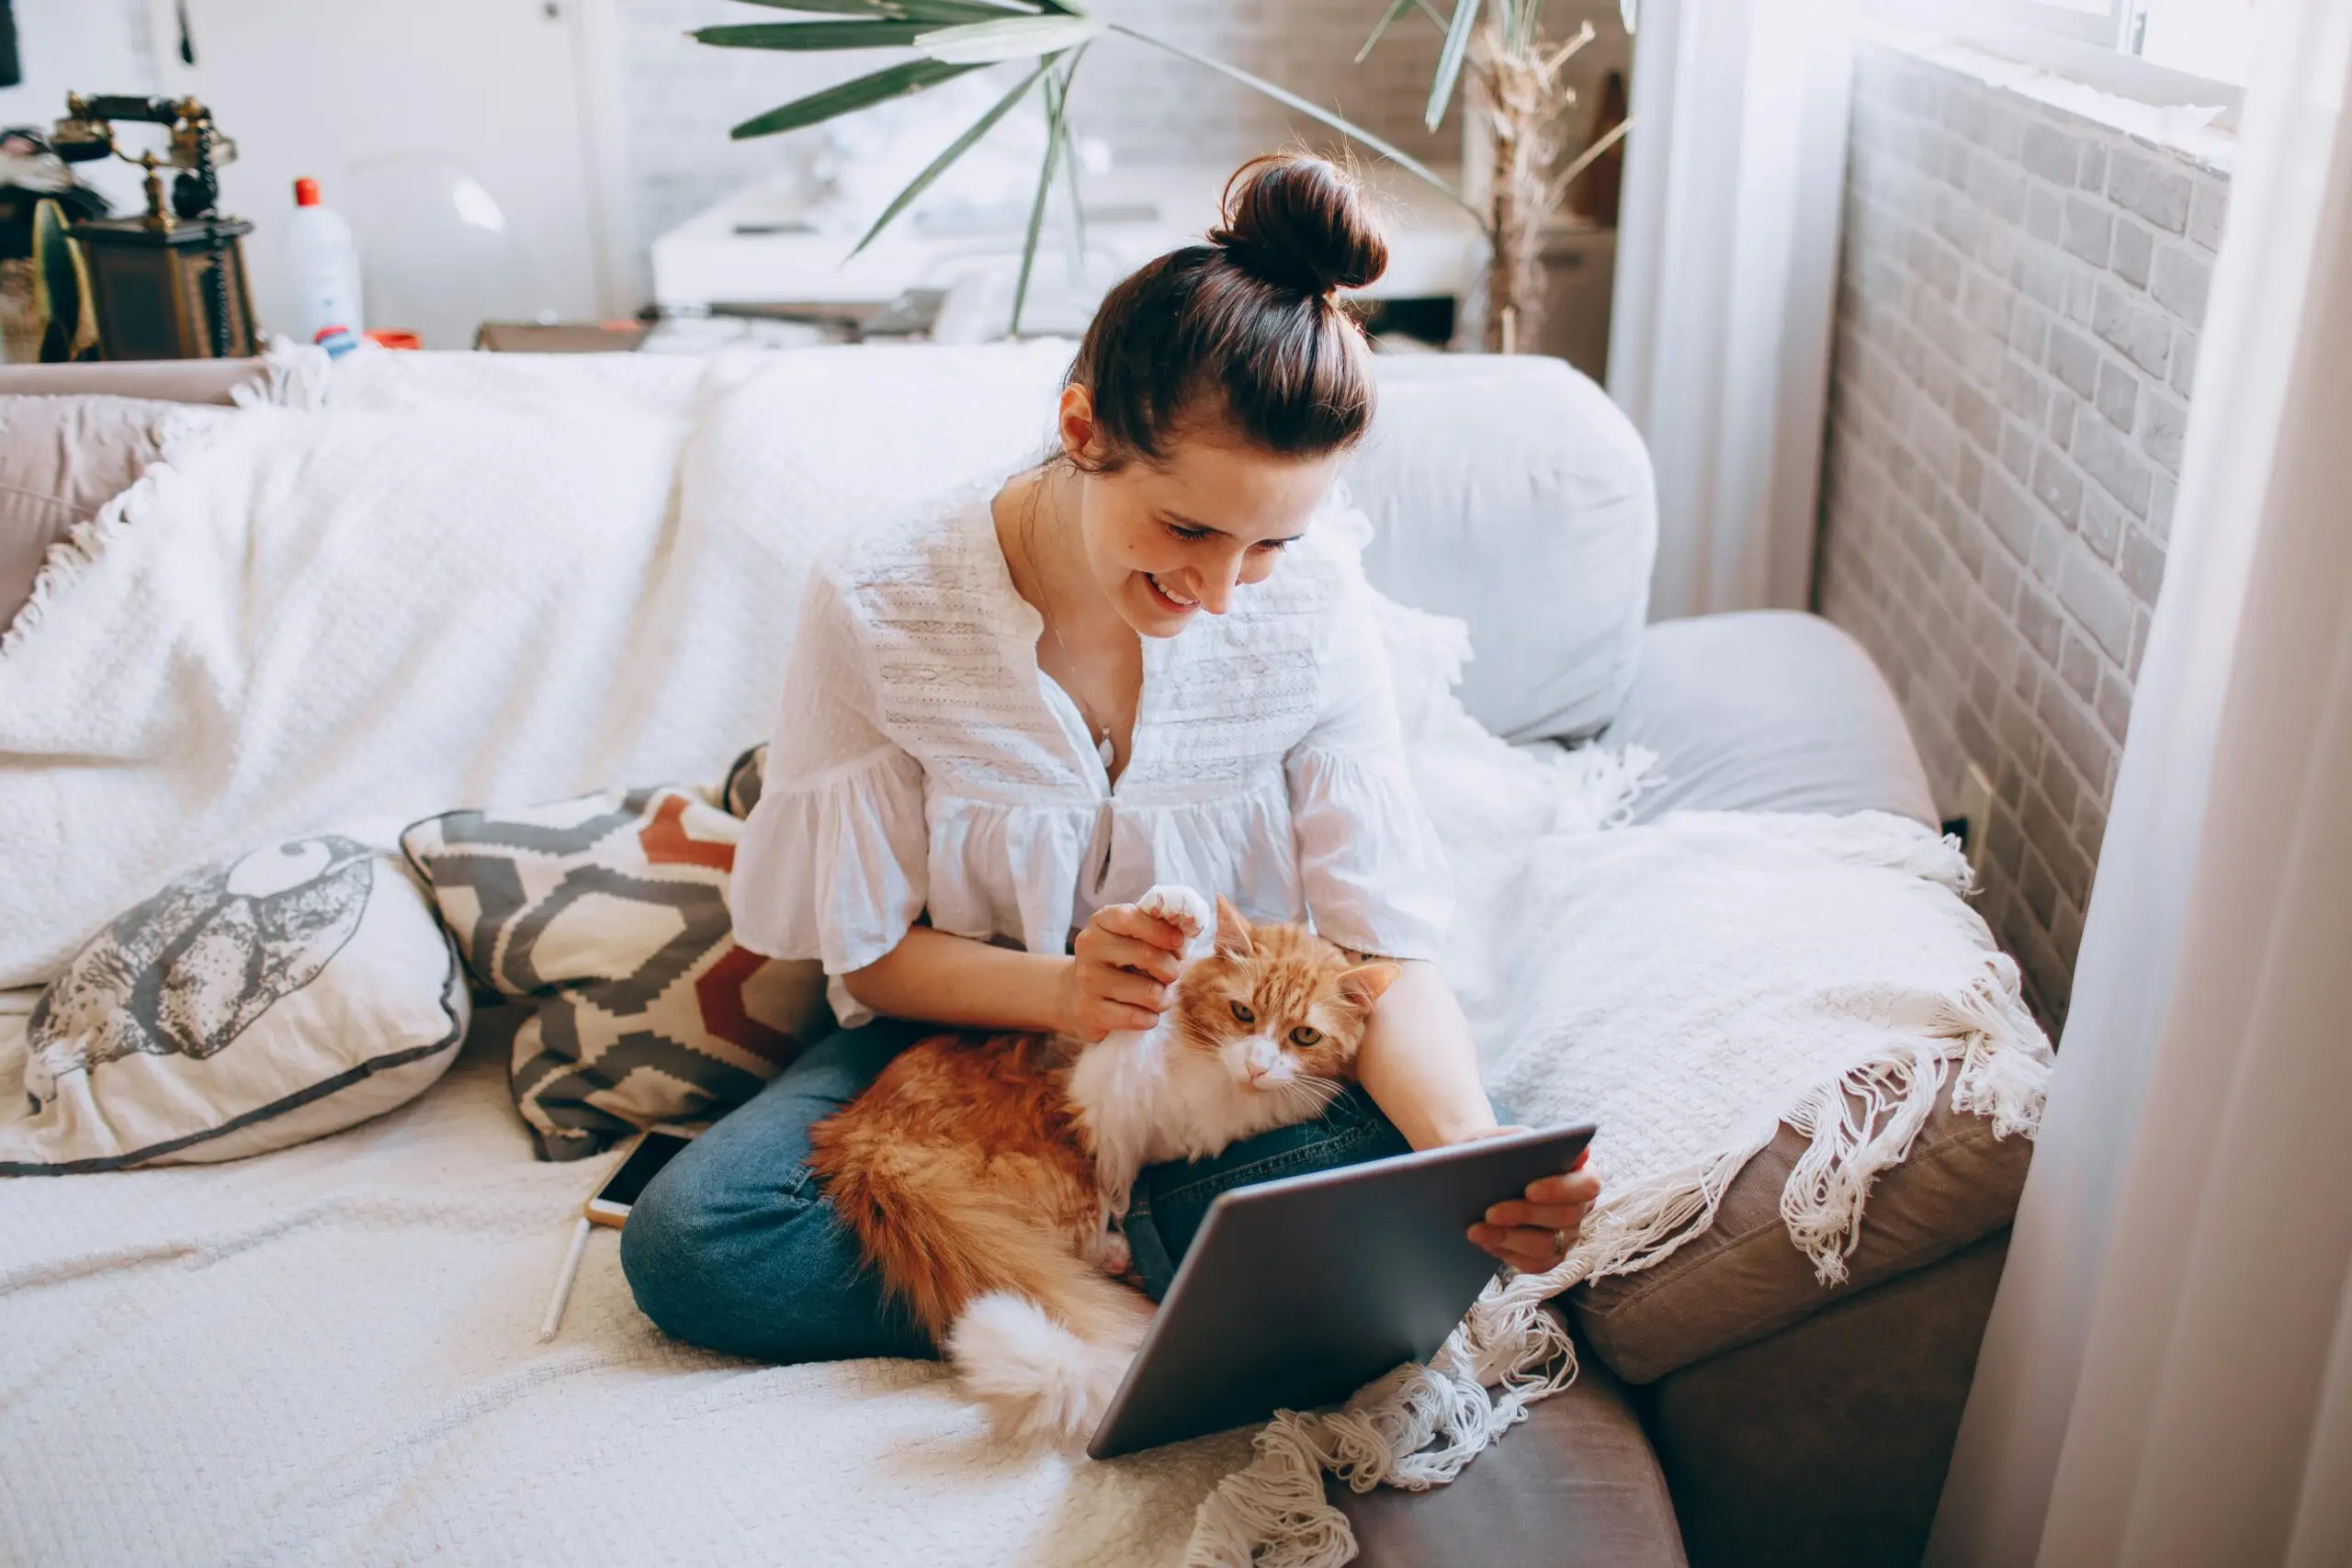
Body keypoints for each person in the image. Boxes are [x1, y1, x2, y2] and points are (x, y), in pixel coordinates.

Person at [622, 152, 1601, 1364]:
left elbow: (1381, 956)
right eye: (1187, 527)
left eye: (1270, 545)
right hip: (954, 1042)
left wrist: (1467, 1156)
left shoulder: (1316, 607)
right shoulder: (882, 598)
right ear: (1082, 429)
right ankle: (1197, 1259)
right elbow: (871, 959)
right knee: (695, 1242)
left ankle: (1119, 1259)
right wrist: (1064, 995)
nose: (1220, 592)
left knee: (1422, 1146)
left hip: (1226, 1055)